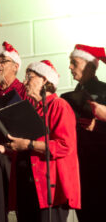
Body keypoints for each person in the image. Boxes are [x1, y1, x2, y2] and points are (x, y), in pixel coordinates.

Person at [3, 60, 80, 222]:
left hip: (47, 191)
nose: (24, 82)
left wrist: (29, 144)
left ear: (45, 80)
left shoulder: (59, 106)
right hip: (26, 188)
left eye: (29, 77)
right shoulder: (29, 108)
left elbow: (66, 146)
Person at [0, 41, 27, 222]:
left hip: (18, 157)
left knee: (24, 208)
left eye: (3, 61)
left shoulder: (24, 91)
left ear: (15, 66)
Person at [67, 44, 106, 221]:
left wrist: (98, 123)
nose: (70, 67)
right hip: (80, 166)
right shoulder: (75, 93)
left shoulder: (104, 90)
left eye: (74, 62)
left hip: (100, 167)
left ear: (90, 66)